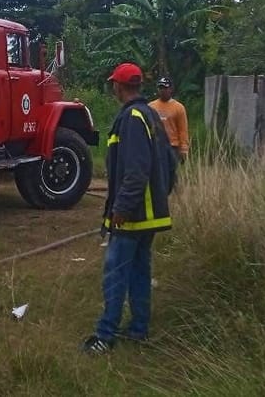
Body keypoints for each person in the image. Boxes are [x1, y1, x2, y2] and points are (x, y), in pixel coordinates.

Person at [81, 62, 174, 355]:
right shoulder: (150, 114)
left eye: (113, 84)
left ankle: (105, 335)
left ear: (118, 86)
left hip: (134, 215)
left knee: (115, 273)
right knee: (138, 272)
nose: (113, 88)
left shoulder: (133, 118)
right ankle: (138, 329)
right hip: (149, 213)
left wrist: (121, 208)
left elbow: (135, 171)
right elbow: (169, 164)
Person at [149, 77, 190, 163]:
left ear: (171, 89)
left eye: (165, 88)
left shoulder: (179, 108)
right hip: (156, 145)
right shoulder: (151, 107)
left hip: (172, 146)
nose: (162, 90)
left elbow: (183, 130)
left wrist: (184, 149)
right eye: (160, 88)